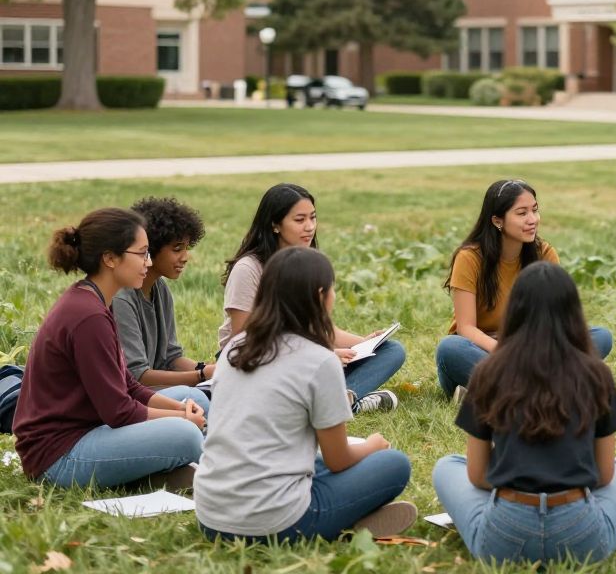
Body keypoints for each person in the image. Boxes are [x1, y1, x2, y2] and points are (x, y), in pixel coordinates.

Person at [195, 247, 415, 543]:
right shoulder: (320, 360)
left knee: (317, 460)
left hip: (210, 515)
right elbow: (339, 460)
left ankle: (349, 515)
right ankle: (345, 521)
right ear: (321, 296)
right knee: (394, 464)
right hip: (274, 522)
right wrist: (374, 446)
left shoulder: (237, 347)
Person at [433, 261, 616, 565]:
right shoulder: (596, 374)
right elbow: (605, 473)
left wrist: (519, 477)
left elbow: (478, 475)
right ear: (573, 312)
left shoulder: (488, 373)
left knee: (447, 466)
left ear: (514, 311)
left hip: (505, 534)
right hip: (580, 534)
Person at [13, 208, 205, 489]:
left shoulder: (94, 301)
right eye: (141, 254)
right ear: (110, 258)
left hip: (90, 431)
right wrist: (182, 419)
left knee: (193, 397)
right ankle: (202, 471)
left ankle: (173, 471)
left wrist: (181, 408)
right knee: (185, 434)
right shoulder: (88, 316)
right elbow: (119, 411)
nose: (148, 262)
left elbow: (128, 385)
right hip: (58, 458)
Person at [220, 183, 404, 413]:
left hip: (302, 360)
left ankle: (342, 398)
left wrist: (365, 343)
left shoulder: (307, 264)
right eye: (299, 220)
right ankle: (334, 403)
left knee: (391, 350)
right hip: (256, 362)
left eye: (313, 218)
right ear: (275, 225)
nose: (309, 227)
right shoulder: (248, 269)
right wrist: (317, 356)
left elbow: (322, 329)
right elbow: (243, 339)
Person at [435, 179, 613, 399]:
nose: (533, 220)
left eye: (535, 210)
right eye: (521, 213)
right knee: (449, 349)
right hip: (483, 350)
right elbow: (466, 328)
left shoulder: (545, 254)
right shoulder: (470, 258)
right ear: (497, 221)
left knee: (600, 337)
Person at [112, 197, 213, 413]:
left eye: (187, 248)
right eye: (177, 248)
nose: (185, 257)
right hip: (129, 401)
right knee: (198, 398)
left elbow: (171, 357)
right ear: (151, 248)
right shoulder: (122, 297)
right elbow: (137, 376)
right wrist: (201, 376)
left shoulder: (160, 288)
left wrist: (209, 370)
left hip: (150, 392)